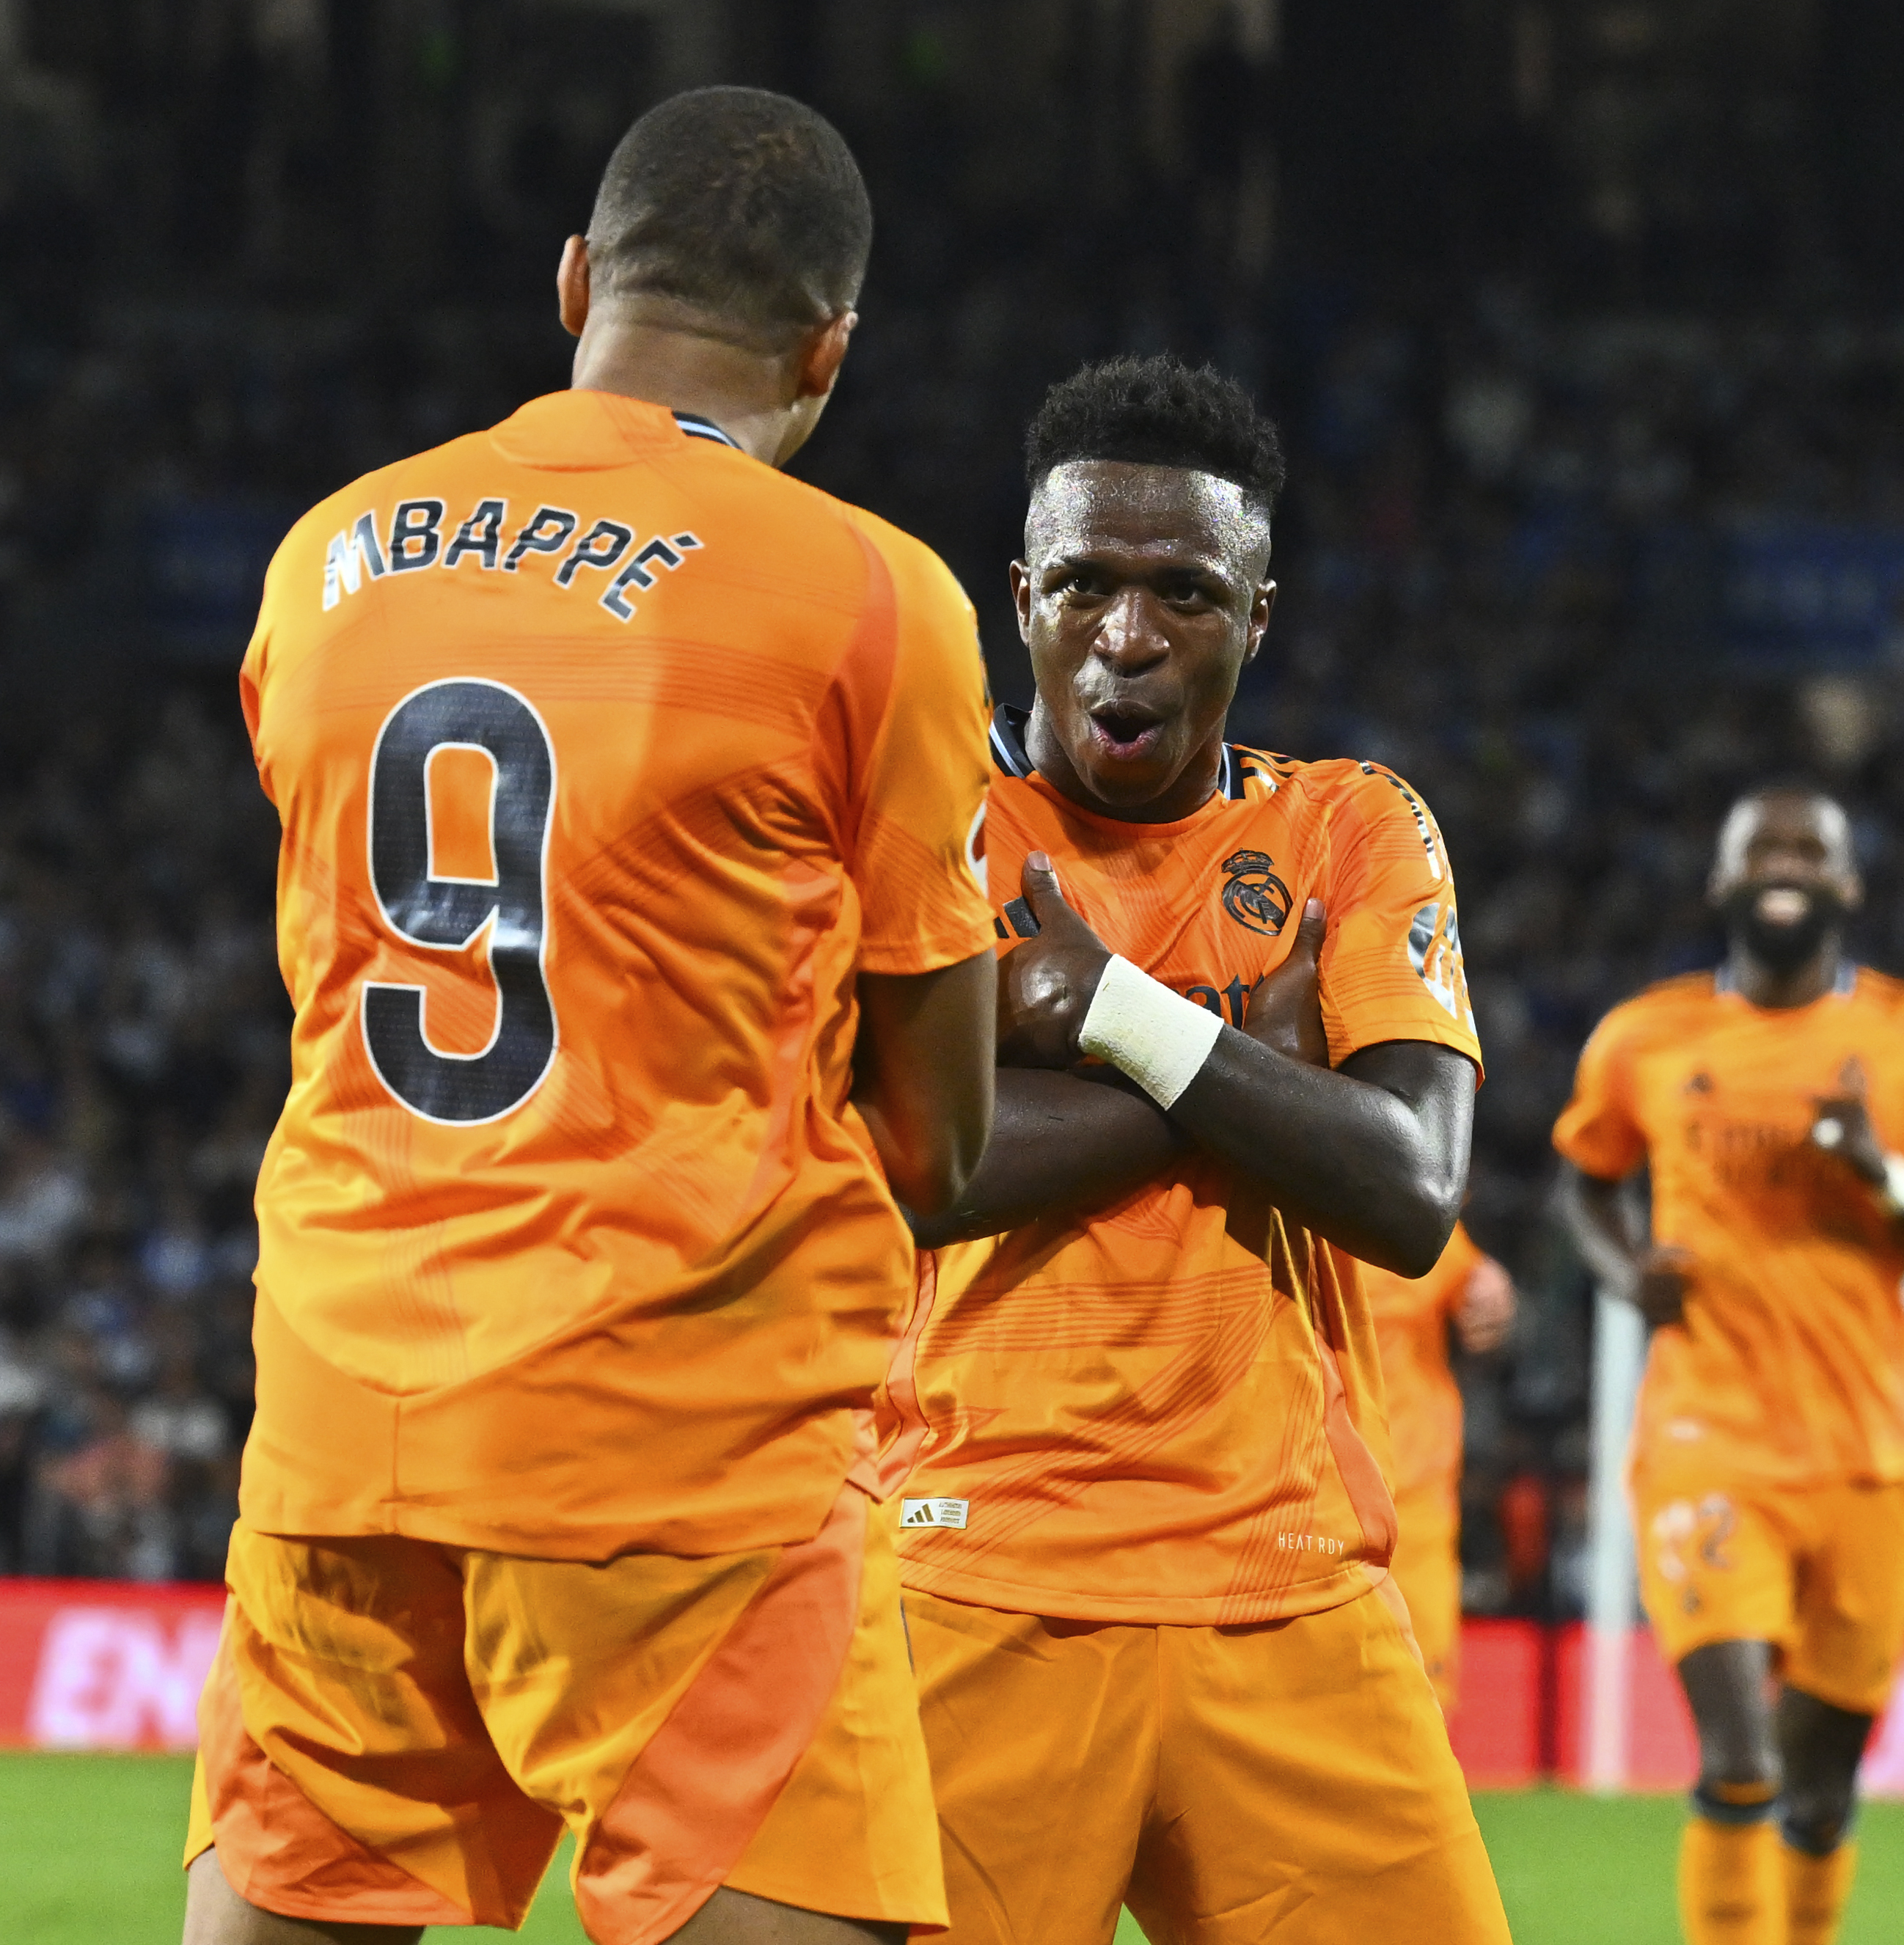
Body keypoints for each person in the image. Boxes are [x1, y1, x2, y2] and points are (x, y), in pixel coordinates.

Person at [184, 87, 999, 1945]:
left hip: (341, 1397)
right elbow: (939, 1146)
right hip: (673, 1433)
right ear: (829, 348)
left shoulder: (322, 558)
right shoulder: (869, 595)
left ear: (571, 282)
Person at [881, 354, 1512, 1945]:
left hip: (1290, 1582)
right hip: (974, 1575)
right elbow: (926, 1164)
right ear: (1019, 598)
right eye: (1086, 584)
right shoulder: (931, 820)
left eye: (1187, 593)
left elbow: (1408, 1189)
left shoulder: (1356, 825)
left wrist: (1105, 1013)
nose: (1131, 638)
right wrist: (1248, 1065)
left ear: (1260, 616)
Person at [1553, 786, 1904, 1945]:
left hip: (1868, 1458)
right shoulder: (1642, 1037)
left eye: (1810, 848)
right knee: (1741, 1757)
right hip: (1706, 1443)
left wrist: (1882, 1177)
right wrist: (1620, 1271)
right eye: (1760, 846)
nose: (1785, 863)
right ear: (1719, 880)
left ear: (1848, 885)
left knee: (1818, 1789)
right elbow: (1583, 1177)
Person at [1369, 1222, 1518, 1710]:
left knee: (1422, 1706)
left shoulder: (1392, 1199)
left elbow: (1476, 1287)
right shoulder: (1269, 1205)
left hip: (1413, 1503)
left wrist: (1488, 1291)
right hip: (1305, 1508)